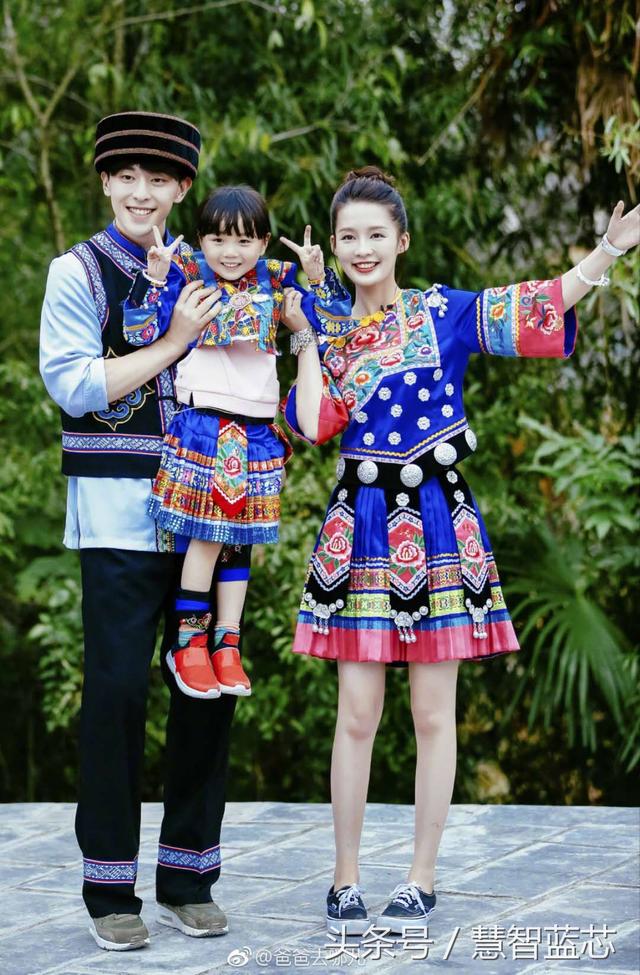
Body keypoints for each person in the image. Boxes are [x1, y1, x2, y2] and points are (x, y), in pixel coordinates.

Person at [281, 166, 639, 935]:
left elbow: (534, 305)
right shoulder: (329, 331)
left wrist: (608, 250)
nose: (363, 247)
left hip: (437, 520)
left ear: (402, 240)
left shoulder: (443, 312)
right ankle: (344, 879)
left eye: (377, 234)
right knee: (356, 713)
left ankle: (421, 878)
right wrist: (307, 330)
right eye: (349, 236)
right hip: (360, 527)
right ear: (335, 246)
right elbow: (311, 424)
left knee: (432, 712)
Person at [39, 111, 247, 951]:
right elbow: (76, 385)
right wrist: (176, 340)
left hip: (215, 515)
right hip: (119, 518)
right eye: (125, 175)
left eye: (158, 178)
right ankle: (109, 889)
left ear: (182, 188)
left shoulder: (211, 268)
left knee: (208, 691)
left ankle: (189, 878)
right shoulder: (76, 272)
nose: (140, 191)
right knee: (118, 695)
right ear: (104, 181)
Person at [122, 188, 350, 700]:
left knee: (239, 542)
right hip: (207, 423)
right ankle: (189, 645)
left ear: (264, 242)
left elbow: (336, 323)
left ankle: (228, 645)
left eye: (244, 241)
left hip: (258, 430)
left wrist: (318, 275)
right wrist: (154, 277)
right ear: (201, 239)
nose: (230, 252)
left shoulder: (276, 279)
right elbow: (138, 331)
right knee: (207, 538)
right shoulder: (186, 271)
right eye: (218, 239)